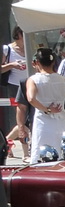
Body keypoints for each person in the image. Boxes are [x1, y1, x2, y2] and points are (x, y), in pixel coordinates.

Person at [25, 49, 65, 162]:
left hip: (43, 123)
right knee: (63, 155)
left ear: (37, 62)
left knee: (41, 157)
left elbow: (31, 99)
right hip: (62, 121)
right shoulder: (64, 80)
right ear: (53, 63)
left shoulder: (33, 80)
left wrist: (47, 109)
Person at [3, 25, 27, 153]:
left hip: (29, 85)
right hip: (15, 86)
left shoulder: (30, 48)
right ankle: (25, 152)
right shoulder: (7, 49)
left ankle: (6, 142)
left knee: (25, 120)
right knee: (22, 119)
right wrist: (13, 65)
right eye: (24, 35)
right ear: (18, 35)